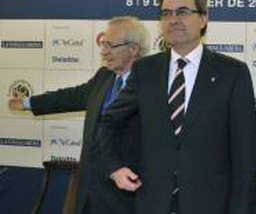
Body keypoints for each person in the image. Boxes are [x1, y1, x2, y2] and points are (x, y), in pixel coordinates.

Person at [100, 0, 256, 214]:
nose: (173, 20)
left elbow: (245, 158)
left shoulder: (232, 73)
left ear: (203, 18)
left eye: (183, 12)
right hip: (152, 203)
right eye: (166, 13)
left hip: (210, 205)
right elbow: (108, 123)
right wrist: (114, 167)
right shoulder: (145, 71)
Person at [8, 16, 150, 214]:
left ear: (133, 49)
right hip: (89, 190)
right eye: (103, 44)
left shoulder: (152, 85)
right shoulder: (104, 77)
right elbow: (71, 97)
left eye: (110, 45)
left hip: (126, 194)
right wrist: (28, 102)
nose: (104, 52)